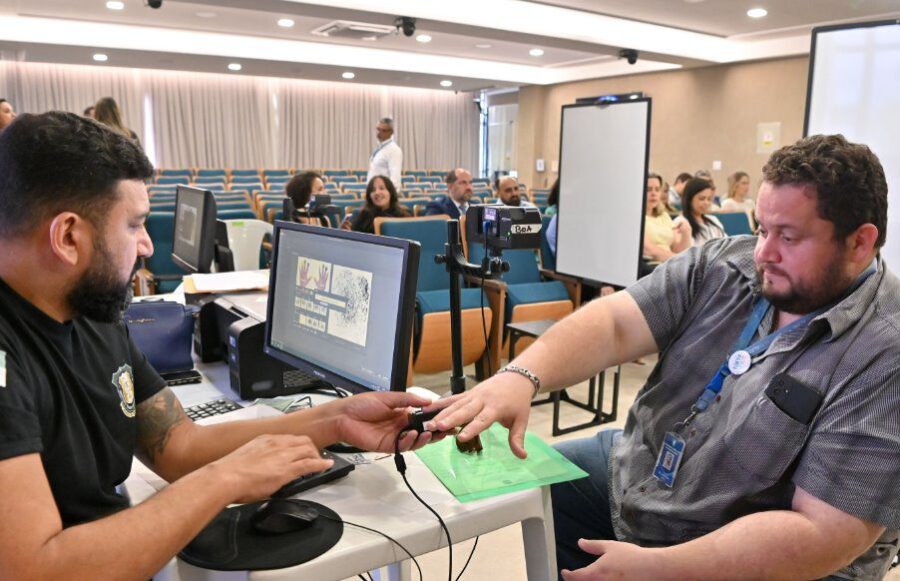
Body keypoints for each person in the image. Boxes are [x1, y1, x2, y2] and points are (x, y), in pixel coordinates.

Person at [426, 134, 899, 580]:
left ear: (859, 242)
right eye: (762, 229)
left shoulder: (885, 350)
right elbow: (613, 323)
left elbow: (825, 534)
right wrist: (521, 375)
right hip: (648, 469)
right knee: (541, 483)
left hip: (743, 541)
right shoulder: (721, 264)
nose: (763, 253)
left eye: (789, 238)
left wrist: (664, 567)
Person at [0, 111, 437, 579]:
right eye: (133, 225)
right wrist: (224, 478)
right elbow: (34, 569)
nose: (147, 246)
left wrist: (338, 420)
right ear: (68, 236)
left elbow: (177, 445)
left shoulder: (87, 311)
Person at [642, 172, 691, 275]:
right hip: (650, 266)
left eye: (657, 189)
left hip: (668, 264)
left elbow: (678, 249)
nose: (654, 193)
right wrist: (679, 260)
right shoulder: (638, 217)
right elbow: (649, 250)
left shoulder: (664, 216)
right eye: (648, 189)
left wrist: (686, 233)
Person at [674, 177, 726, 246]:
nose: (706, 203)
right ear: (689, 199)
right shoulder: (680, 223)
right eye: (702, 199)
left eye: (709, 199)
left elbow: (726, 244)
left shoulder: (713, 220)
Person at [366, 117, 402, 190]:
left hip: (382, 195)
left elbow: (395, 180)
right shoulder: (380, 147)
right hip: (374, 192)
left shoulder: (394, 150)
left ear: (391, 132)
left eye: (383, 130)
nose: (379, 133)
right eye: (378, 129)